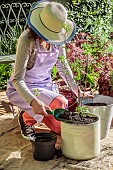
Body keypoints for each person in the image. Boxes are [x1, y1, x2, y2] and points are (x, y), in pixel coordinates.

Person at [6, 0, 93, 140]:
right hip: (24, 87)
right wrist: (33, 102)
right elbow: (17, 79)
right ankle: (26, 119)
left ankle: (28, 114)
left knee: (60, 129)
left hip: (45, 86)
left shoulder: (58, 39)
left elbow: (63, 67)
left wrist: (78, 91)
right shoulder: (26, 40)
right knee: (61, 102)